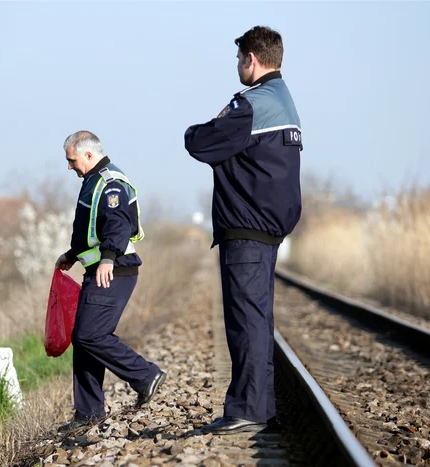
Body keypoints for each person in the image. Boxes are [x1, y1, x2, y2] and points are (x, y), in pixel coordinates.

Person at [184, 26, 303, 434]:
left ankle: (248, 409)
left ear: (251, 58)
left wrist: (192, 131)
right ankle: (259, 406)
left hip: (247, 226)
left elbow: (201, 143)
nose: (237, 66)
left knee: (245, 320)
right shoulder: (285, 101)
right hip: (267, 227)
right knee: (257, 318)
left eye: (238, 59)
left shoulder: (252, 104)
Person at [55, 130, 166, 431]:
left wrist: (107, 258)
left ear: (88, 155)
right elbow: (95, 228)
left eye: (72, 160)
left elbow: (118, 224)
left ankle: (145, 376)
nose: (69, 167)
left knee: (90, 335)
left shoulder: (110, 182)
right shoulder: (94, 180)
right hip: (103, 269)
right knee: (84, 337)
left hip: (114, 270)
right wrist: (73, 254)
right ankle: (88, 413)